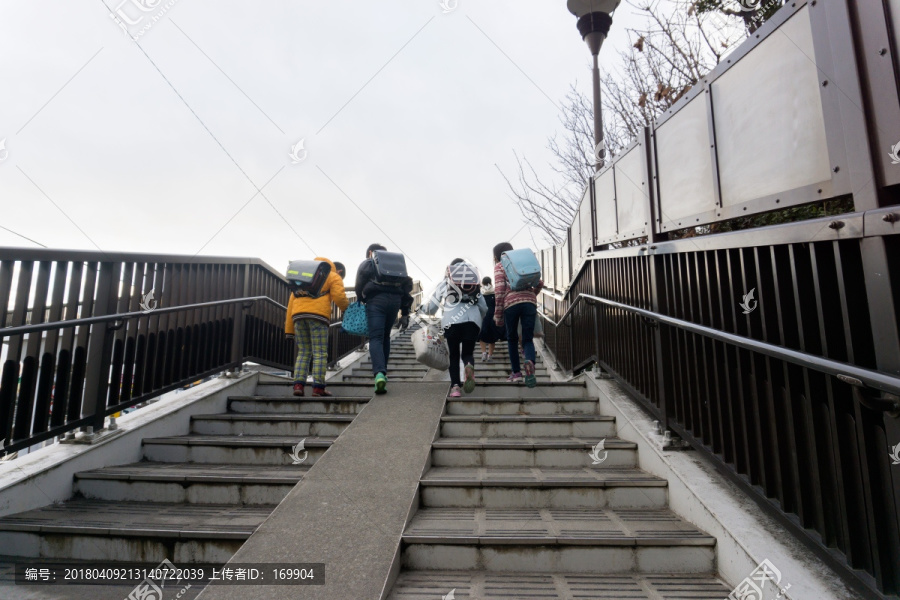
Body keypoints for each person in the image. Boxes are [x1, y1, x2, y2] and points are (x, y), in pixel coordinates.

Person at [285, 257, 349, 397]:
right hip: (318, 317)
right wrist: (347, 309)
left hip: (298, 317)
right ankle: (318, 388)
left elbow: (290, 304)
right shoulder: (332, 276)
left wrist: (289, 330)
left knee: (303, 352)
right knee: (320, 353)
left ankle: (298, 385)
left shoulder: (302, 276)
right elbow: (339, 296)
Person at [423, 259, 487, 397]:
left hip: (451, 322)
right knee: (467, 353)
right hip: (472, 322)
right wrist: (478, 319)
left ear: (450, 270)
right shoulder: (474, 283)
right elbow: (484, 307)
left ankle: (456, 387)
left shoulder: (445, 283)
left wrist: (422, 309)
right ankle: (469, 365)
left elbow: (432, 308)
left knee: (453, 355)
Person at [355, 243, 414, 394]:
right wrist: (405, 312)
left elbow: (359, 283)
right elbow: (407, 288)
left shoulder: (368, 263)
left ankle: (379, 374)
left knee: (375, 338)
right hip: (395, 302)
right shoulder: (396, 266)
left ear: (370, 252)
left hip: (376, 301)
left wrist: (360, 297)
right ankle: (383, 372)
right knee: (386, 337)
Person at [493, 242, 543, 388]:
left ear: (496, 255)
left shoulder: (500, 266)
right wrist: (531, 295)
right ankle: (530, 363)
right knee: (527, 339)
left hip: (511, 304)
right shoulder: (521, 262)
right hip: (529, 303)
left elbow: (500, 290)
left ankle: (516, 373)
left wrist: (498, 314)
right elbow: (539, 283)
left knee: (512, 339)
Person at [478, 276, 501, 362]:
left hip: (483, 316)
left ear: (482, 283)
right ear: (491, 282)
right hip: (493, 316)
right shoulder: (495, 292)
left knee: (481, 335)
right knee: (492, 336)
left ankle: (484, 353)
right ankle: (490, 355)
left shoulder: (480, 293)